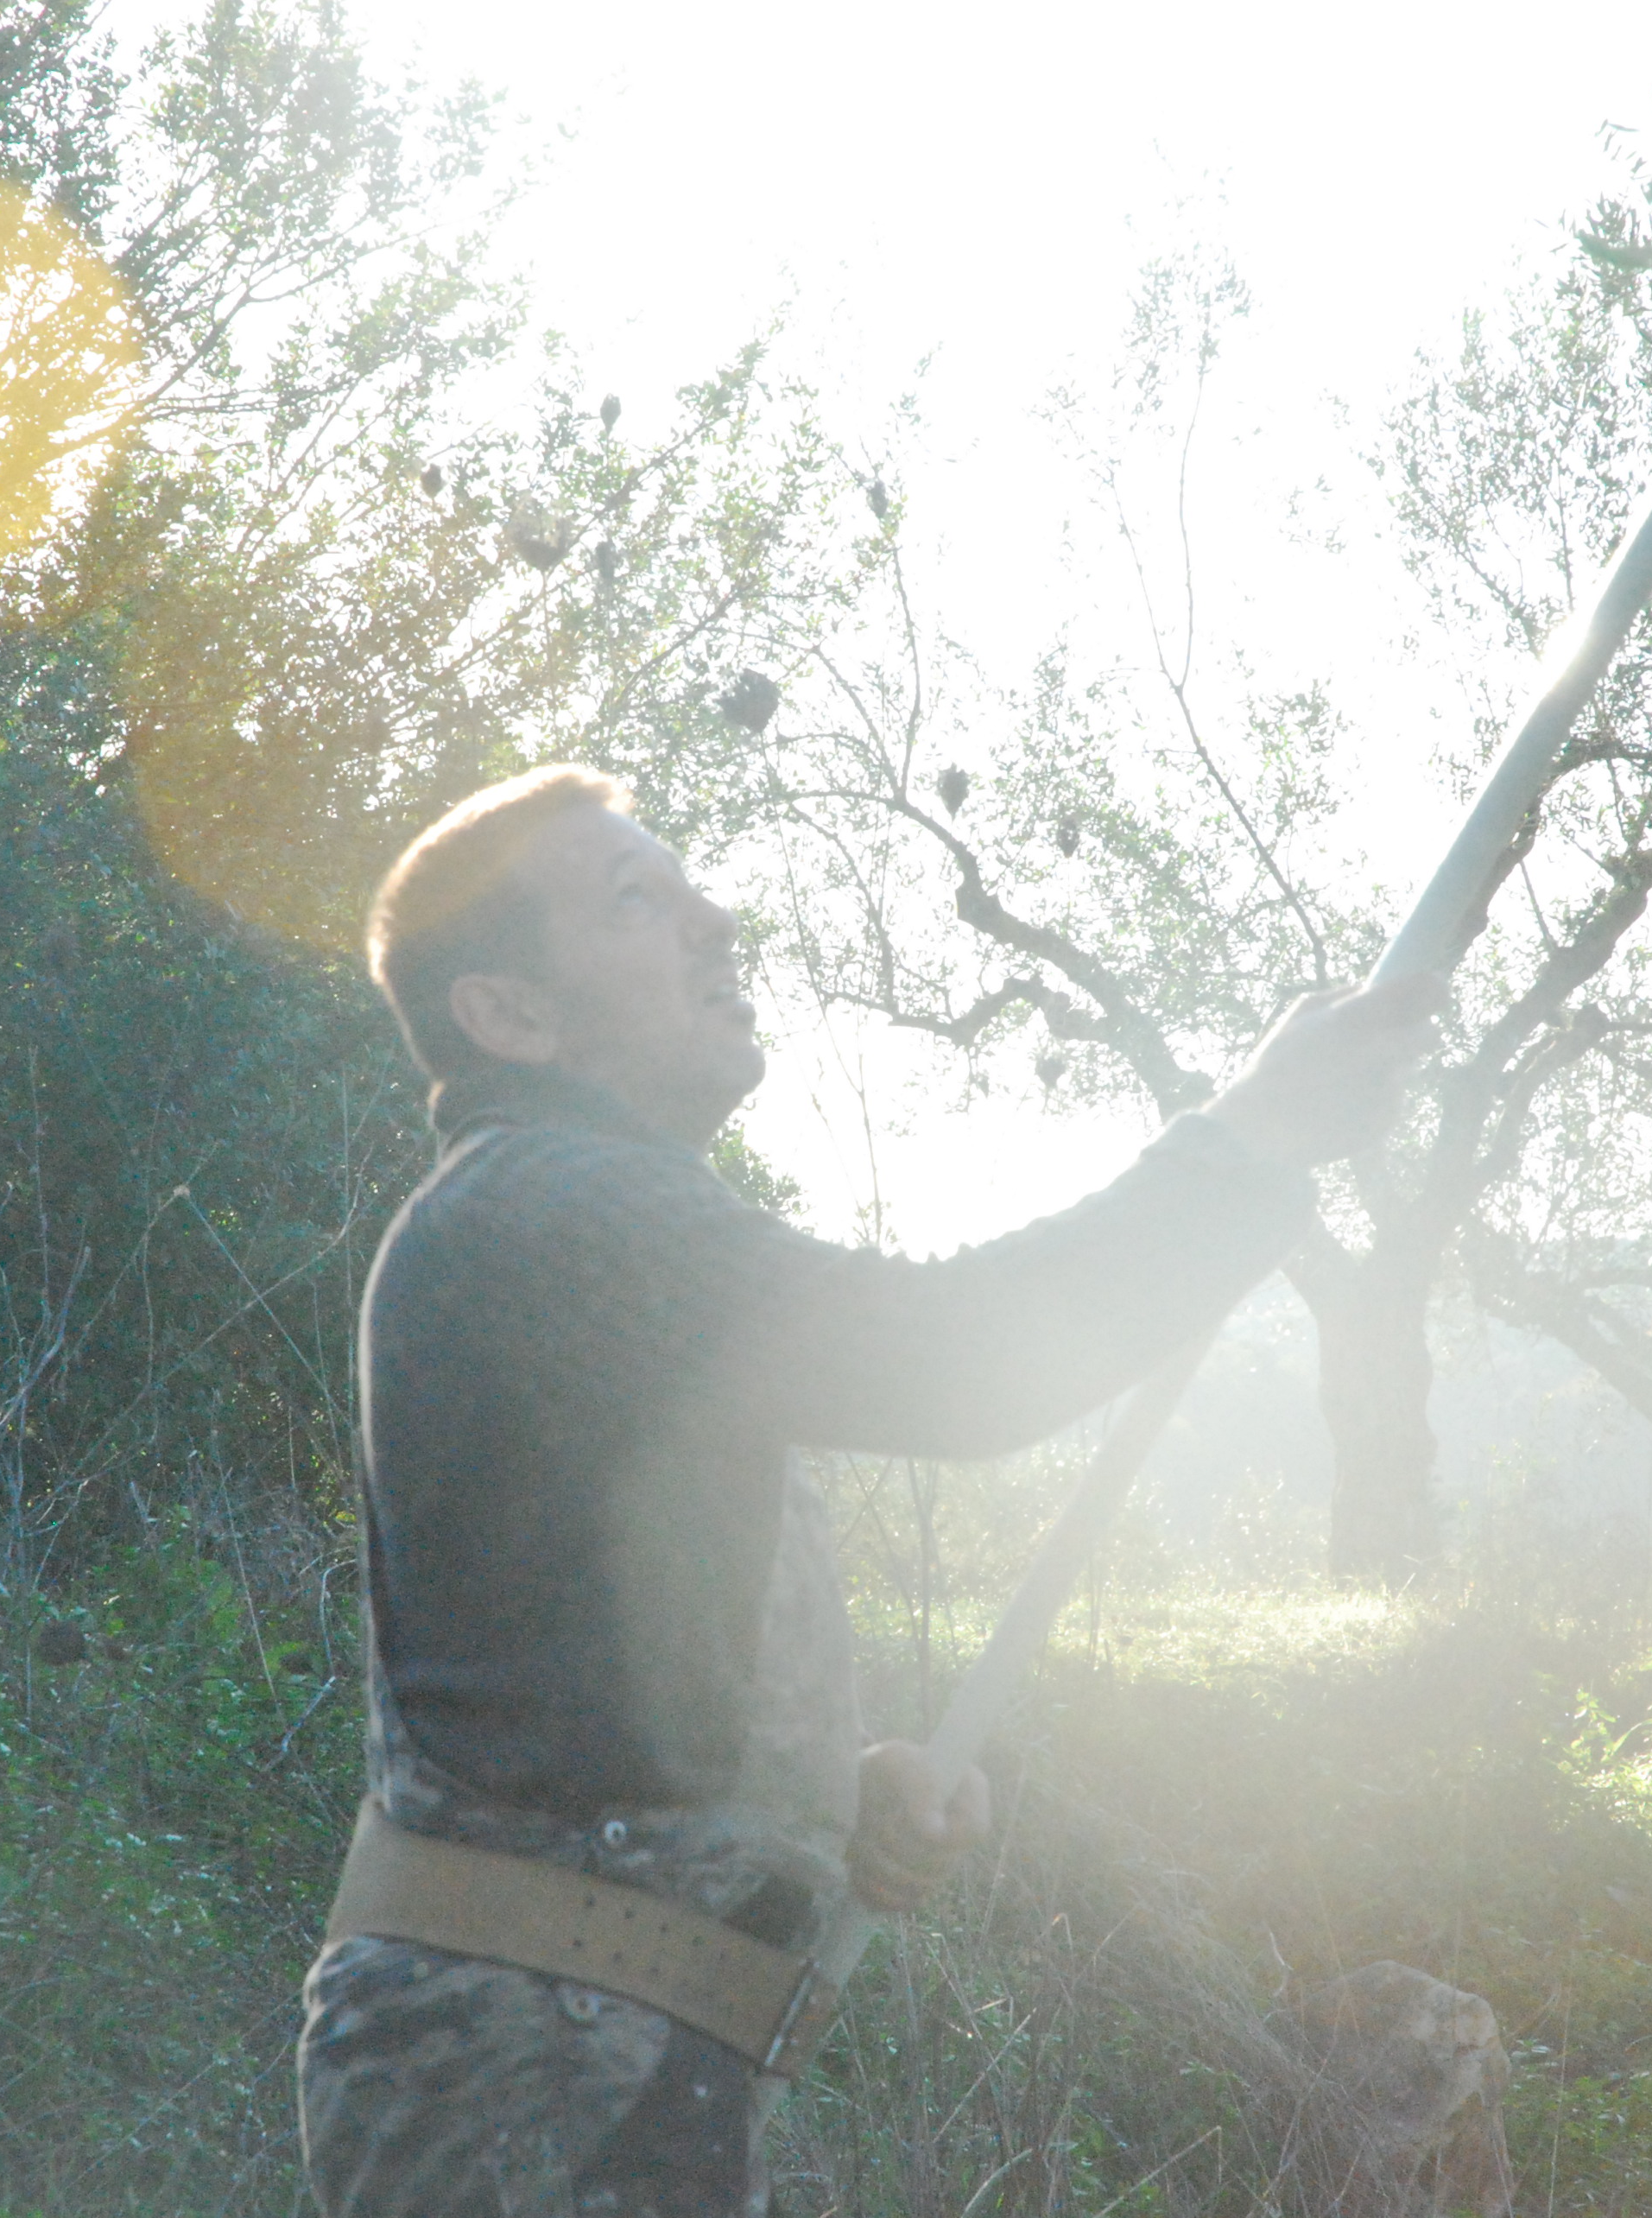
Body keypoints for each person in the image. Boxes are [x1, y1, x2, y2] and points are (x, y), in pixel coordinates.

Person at [298, 765, 1432, 2218]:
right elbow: (955, 1365)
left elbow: (587, 1680)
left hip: (576, 2058)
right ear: (510, 1014)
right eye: (637, 899)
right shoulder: (548, 1203)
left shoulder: (573, 1225)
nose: (720, 917)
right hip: (535, 2067)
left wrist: (827, 1800)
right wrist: (1249, 1141)